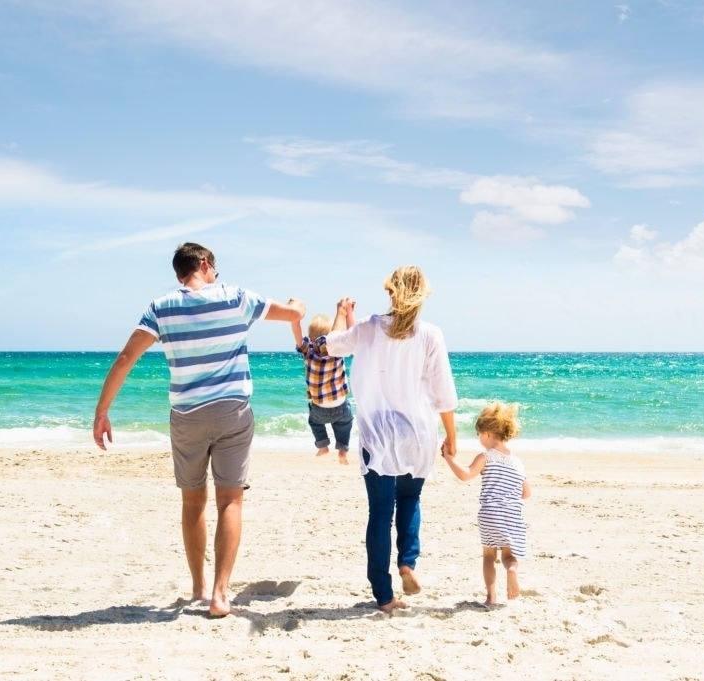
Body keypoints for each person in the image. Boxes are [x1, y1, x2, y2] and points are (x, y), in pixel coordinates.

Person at [92, 242, 306, 618]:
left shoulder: (162, 308)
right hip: (232, 412)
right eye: (214, 270)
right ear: (205, 265)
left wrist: (102, 411)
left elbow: (127, 358)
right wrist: (298, 307)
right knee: (230, 501)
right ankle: (221, 595)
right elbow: (290, 313)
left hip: (187, 415)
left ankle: (198, 586)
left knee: (193, 502)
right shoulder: (237, 298)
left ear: (181, 272)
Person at [321, 266, 458, 613]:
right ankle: (408, 563)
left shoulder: (368, 327)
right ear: (423, 296)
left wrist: (341, 315)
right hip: (418, 432)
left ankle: (383, 595)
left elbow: (332, 346)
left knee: (381, 512)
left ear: (390, 292)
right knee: (410, 501)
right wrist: (452, 438)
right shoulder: (430, 334)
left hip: (377, 433)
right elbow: (444, 392)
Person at [441, 400, 532, 608]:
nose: (479, 438)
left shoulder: (485, 457)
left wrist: (448, 457)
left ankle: (491, 597)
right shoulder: (518, 462)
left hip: (490, 513)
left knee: (489, 556)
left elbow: (465, 475)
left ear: (488, 433)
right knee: (510, 555)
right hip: (512, 514)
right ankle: (512, 570)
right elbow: (526, 493)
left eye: (479, 434)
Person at [290, 313, 353, 465]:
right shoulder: (337, 351)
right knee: (346, 423)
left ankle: (323, 445)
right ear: (332, 335)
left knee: (314, 423)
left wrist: (295, 319)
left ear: (310, 337)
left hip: (319, 408)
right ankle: (343, 449)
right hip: (341, 406)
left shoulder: (307, 352)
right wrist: (346, 313)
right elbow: (349, 335)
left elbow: (297, 332)